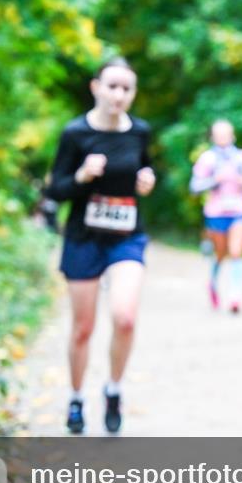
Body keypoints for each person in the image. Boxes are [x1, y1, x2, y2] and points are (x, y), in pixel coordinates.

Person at [46, 56, 156, 435]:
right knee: (84, 327)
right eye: (112, 86)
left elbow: (145, 168)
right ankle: (76, 398)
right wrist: (81, 176)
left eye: (126, 88)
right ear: (96, 88)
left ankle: (113, 390)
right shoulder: (75, 133)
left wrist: (147, 180)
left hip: (126, 237)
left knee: (125, 317)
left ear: (133, 93)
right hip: (83, 238)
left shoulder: (140, 132)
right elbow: (55, 191)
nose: (118, 95)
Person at [189, 119, 242, 314]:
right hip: (216, 212)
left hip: (240, 211)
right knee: (220, 255)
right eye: (219, 134)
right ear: (213, 137)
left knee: (236, 252)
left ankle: (235, 297)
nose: (223, 138)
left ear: (232, 136)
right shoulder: (207, 158)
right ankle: (212, 283)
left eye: (226, 134)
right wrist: (214, 180)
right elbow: (194, 187)